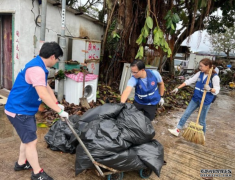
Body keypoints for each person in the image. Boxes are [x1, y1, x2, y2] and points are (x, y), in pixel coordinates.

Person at [5, 42, 69, 180]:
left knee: (27, 138)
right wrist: (59, 111)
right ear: (52, 56)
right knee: (31, 142)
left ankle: (21, 163)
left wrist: (57, 104)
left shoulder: (38, 65)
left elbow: (46, 87)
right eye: (57, 59)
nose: (57, 61)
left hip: (22, 109)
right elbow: (42, 94)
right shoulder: (37, 69)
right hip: (19, 110)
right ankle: (37, 173)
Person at [168, 58, 220, 139]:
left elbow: (216, 90)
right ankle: (177, 130)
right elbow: (190, 81)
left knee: (201, 120)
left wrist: (209, 89)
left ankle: (202, 136)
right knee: (186, 114)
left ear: (208, 66)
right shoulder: (200, 73)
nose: (200, 68)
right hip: (196, 98)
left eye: (201, 66)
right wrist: (178, 88)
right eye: (200, 66)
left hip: (205, 101)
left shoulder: (214, 77)